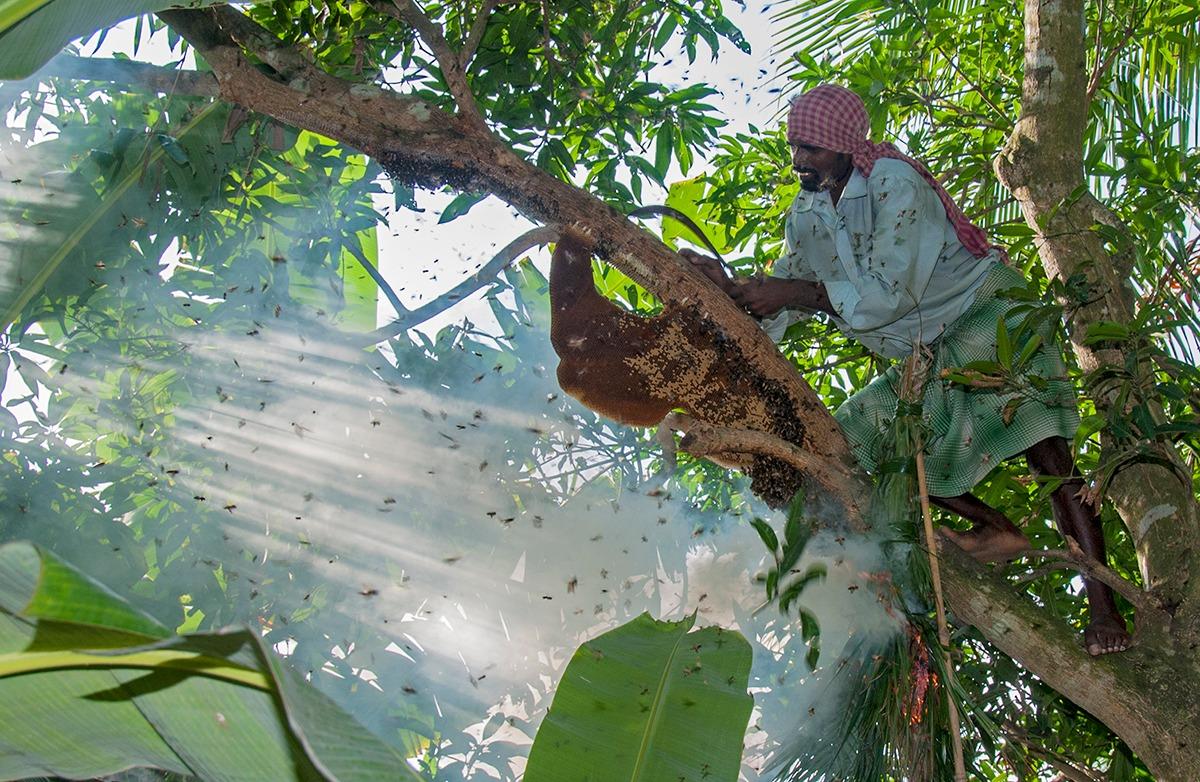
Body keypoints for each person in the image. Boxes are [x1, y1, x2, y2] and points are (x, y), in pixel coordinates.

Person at [681, 84, 1131, 656]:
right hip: (928, 346)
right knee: (848, 441)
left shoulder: (894, 184)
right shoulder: (808, 212)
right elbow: (783, 297)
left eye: (811, 148)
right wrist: (731, 291)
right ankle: (996, 531)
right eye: (795, 146)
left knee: (1047, 454)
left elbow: (889, 295)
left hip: (987, 310)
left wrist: (793, 292)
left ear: (846, 146)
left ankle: (1105, 607)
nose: (799, 160)